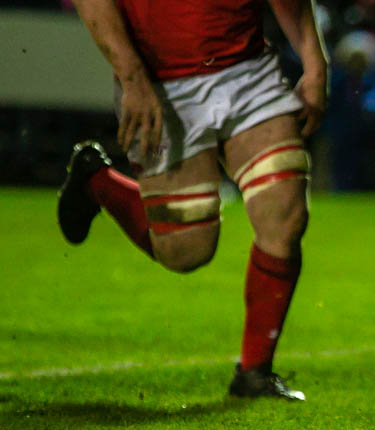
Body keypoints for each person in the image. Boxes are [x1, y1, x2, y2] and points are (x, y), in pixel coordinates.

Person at [57, 0, 329, 399]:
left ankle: (254, 372)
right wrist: (132, 78)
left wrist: (314, 59)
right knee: (185, 251)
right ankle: (96, 179)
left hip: (248, 71)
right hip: (160, 79)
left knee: (284, 214)